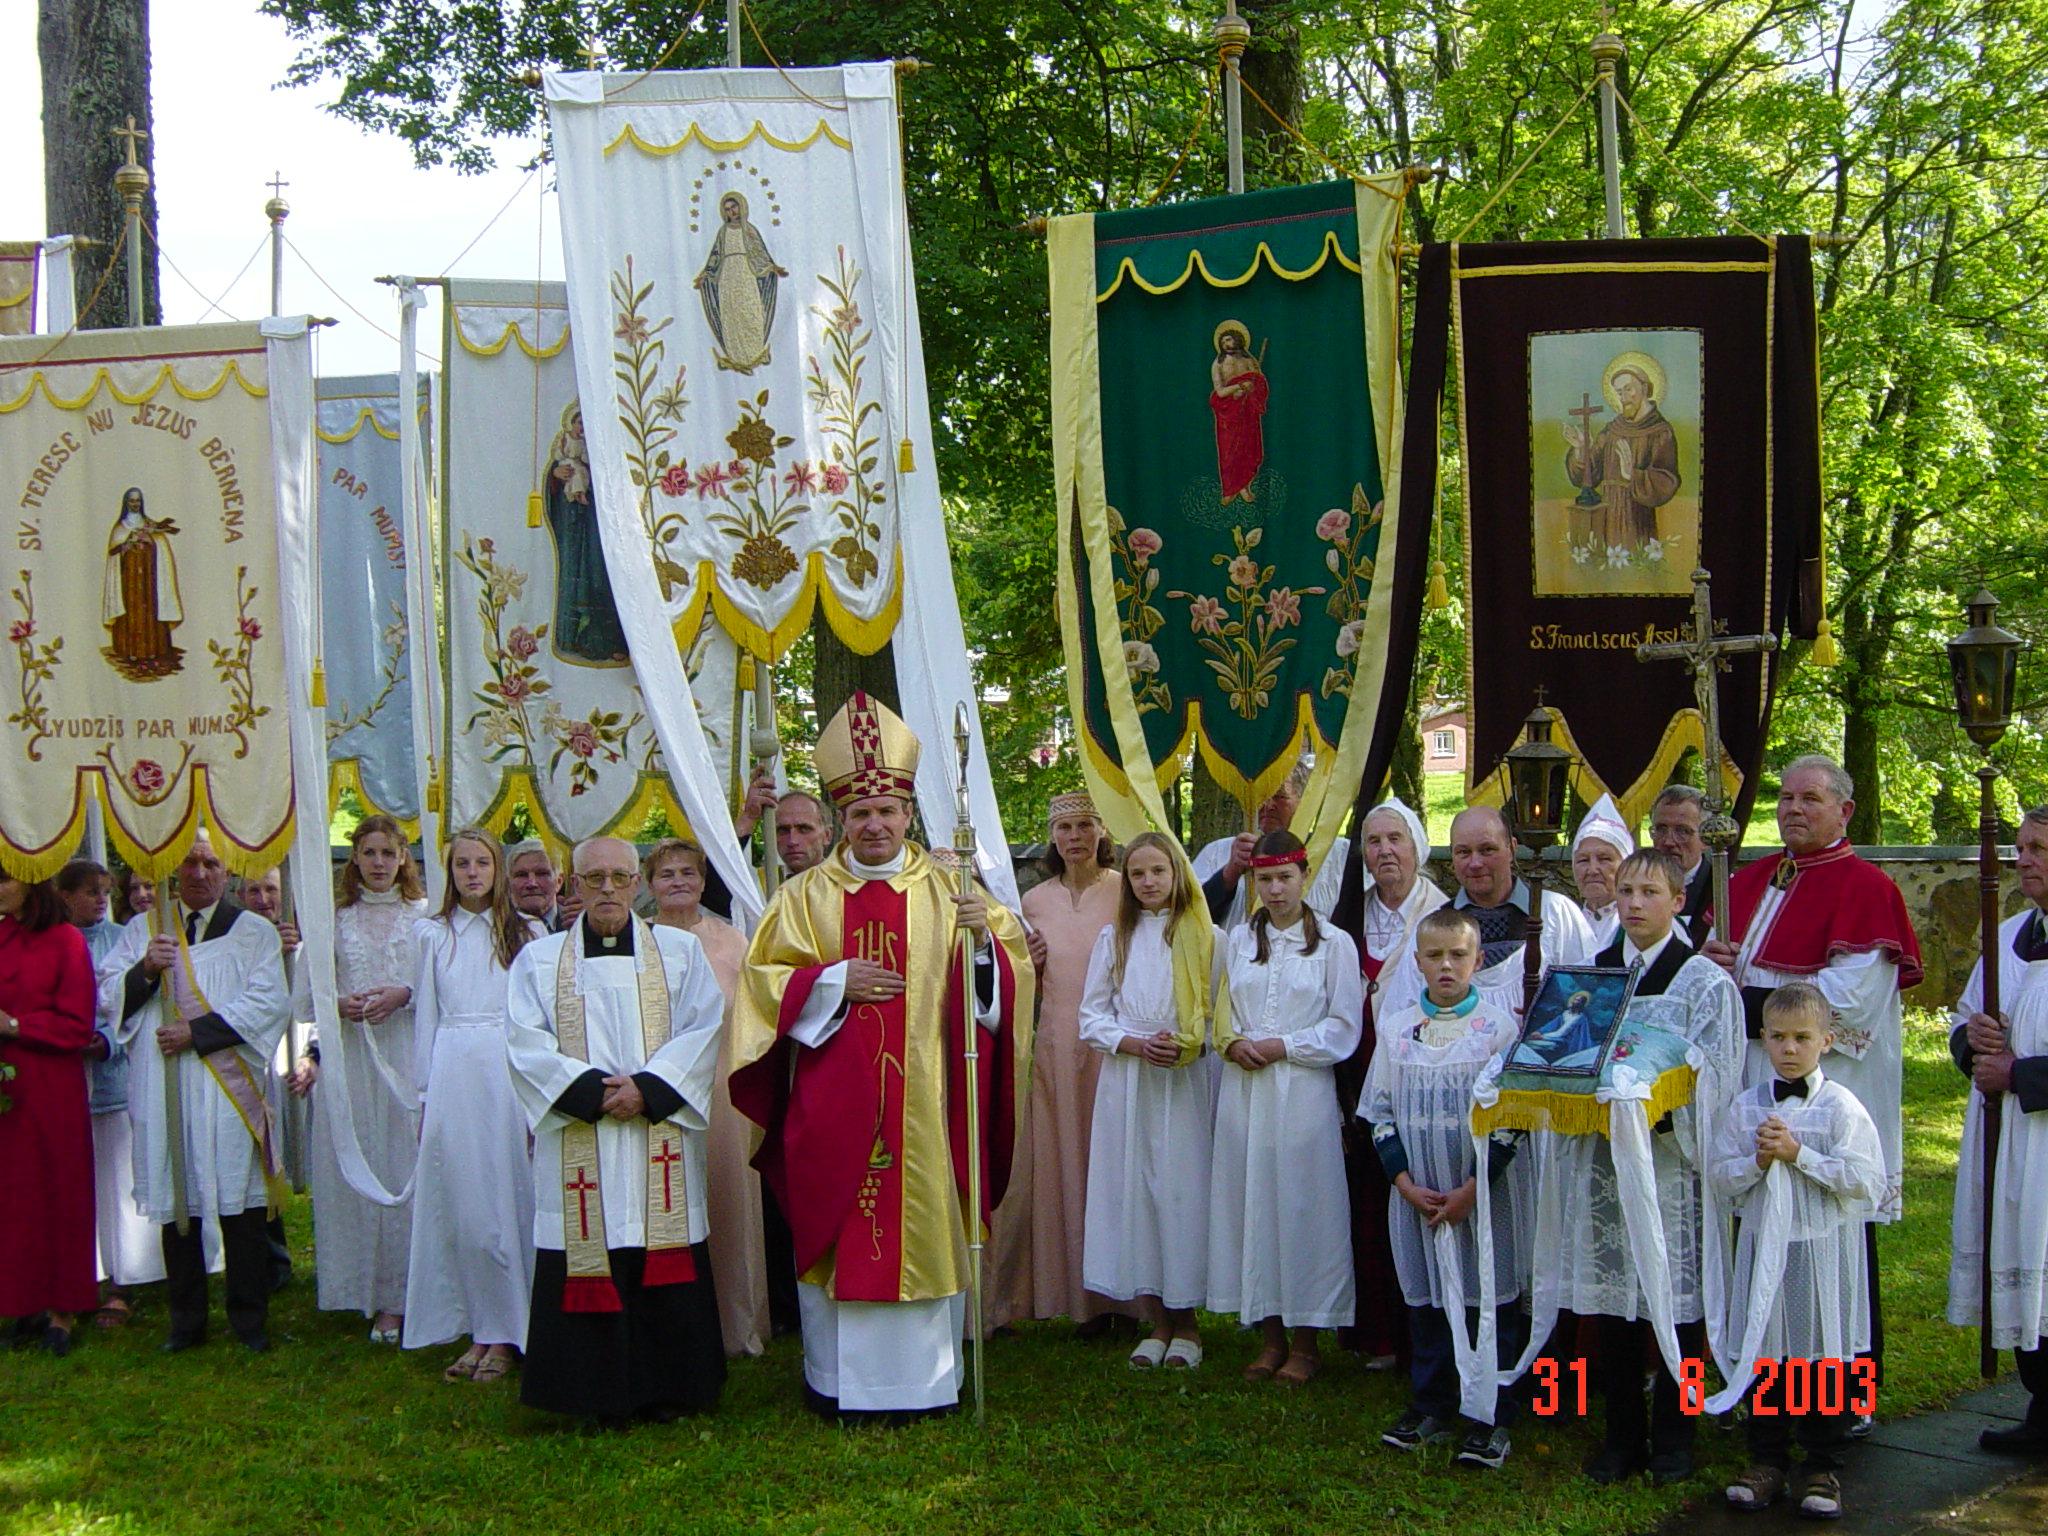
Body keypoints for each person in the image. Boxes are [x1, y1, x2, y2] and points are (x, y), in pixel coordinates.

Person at [731, 690, 1035, 1421]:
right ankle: (837, 1382)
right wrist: (832, 981)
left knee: (924, 1225)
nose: (875, 824)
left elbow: (1005, 992)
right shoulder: (802, 898)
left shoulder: (952, 890)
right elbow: (761, 984)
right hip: (833, 1107)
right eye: (862, 813)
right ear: (842, 818)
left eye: (888, 812)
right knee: (840, 1226)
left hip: (929, 1106)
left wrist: (983, 945)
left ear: (908, 816)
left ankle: (928, 1383)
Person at [1705, 754, 1920, 1400]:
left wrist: (1743, 999)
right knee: (1760, 1237)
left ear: (1844, 811)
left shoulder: (1866, 890)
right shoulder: (1751, 881)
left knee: (1838, 1243)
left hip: (1832, 1099)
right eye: (1786, 797)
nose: (1793, 808)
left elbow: (1847, 1003)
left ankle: (1850, 1395)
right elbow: (1717, 973)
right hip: (1756, 1089)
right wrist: (1713, 965)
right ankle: (1765, 1388)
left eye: (1810, 799)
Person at [504, 836, 730, 1422]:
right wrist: (592, 1094)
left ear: (637, 884)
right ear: (572, 884)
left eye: (620, 877)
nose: (608, 889)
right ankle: (588, 1392)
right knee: (588, 1241)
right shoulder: (539, 961)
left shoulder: (679, 952)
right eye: (594, 878)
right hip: (581, 1133)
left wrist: (649, 1090)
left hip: (658, 1130)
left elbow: (705, 1027)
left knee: (660, 1240)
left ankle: (672, 1388)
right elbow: (524, 1044)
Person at [1558, 849, 1743, 1487]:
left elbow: (1720, 1075)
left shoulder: (1702, 983)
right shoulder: (1593, 976)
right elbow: (1566, 1052)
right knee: (1613, 1304)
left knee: (1676, 1304)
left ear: (1678, 901)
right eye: (1626, 891)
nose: (1635, 903)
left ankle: (1674, 1436)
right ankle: (1621, 1438)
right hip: (1606, 1164)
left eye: (1650, 892)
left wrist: (1661, 1119)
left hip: (1672, 1167)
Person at [97, 833, 290, 1352]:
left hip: (225, 1081)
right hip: (164, 1083)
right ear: (172, 870)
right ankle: (186, 1321)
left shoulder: (252, 932)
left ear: (227, 872)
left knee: (240, 1203)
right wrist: (145, 970)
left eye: (210, 863)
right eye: (189, 863)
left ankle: (249, 1319)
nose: (199, 872)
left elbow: (269, 1001)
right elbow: (108, 995)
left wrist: (197, 1032)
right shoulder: (145, 930)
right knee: (178, 1197)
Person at [1713, 983, 1884, 1520]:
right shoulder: (1746, 1106)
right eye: (1779, 1037)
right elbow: (1720, 1177)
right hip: (1764, 1247)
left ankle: (1821, 1463)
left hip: (1821, 1252)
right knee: (1767, 1352)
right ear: (1763, 1038)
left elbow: (1866, 1182)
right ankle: (1766, 1458)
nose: (1789, 1048)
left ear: (1826, 1041)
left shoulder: (1840, 1107)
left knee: (1820, 1355)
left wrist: (1799, 1153)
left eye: (1802, 1038)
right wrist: (1758, 1162)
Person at [1367, 906, 1529, 1469]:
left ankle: (1492, 1417)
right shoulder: (1397, 1030)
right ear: (1417, 962)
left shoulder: (1498, 1030)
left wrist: (1473, 1190)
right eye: (1434, 955)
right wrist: (1405, 1184)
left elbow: (1512, 1118)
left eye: (1458, 955)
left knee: (1490, 1302)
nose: (1445, 966)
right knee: (1430, 1300)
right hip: (1419, 1197)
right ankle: (1432, 1403)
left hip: (1481, 1197)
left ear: (1477, 960)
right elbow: (1380, 1112)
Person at [1209, 829, 1364, 1386]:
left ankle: (1307, 1340)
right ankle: (1269, 1336)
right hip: (1245, 1092)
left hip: (1302, 1093)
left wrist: (1285, 1045)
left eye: (1284, 878)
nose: (1275, 890)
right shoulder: (1236, 941)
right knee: (1254, 1206)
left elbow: (1344, 1027)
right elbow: (1218, 1009)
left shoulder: (1334, 944)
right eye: (1265, 879)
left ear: (1304, 876)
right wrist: (1232, 1042)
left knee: (1303, 1209)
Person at [402, 828, 542, 1382]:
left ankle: (512, 1330)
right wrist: (424, 1096)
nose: (472, 873)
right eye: (462, 864)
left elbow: (534, 1016)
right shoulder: (433, 933)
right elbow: (426, 1017)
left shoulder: (526, 932)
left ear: (497, 869)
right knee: (465, 1204)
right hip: (454, 1072)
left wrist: (534, 1094)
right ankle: (481, 1326)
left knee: (508, 1200)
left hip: (506, 1072)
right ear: (449, 872)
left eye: (482, 862)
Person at [1078, 831, 1220, 1369]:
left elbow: (1221, 1010)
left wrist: (1191, 1042)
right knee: (1135, 1192)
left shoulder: (1206, 936)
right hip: (1130, 1080)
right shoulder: (1114, 937)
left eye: (1158, 870)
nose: (1148, 881)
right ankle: (1157, 1320)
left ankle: (1188, 1323)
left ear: (1177, 873)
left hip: (1182, 1083)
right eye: (1137, 873)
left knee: (1180, 1192)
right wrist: (1133, 1043)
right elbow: (1091, 1017)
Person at [994, 793, 1126, 1334]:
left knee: (1108, 1163)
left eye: (1084, 825)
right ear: (1053, 836)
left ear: (1101, 831)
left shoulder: (1124, 890)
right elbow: (1014, 974)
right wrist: (1024, 962)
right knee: (1061, 1165)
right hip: (1055, 1044)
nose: (1075, 837)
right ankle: (1070, 1295)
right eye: (1065, 828)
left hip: (1111, 1045)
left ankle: (1122, 1300)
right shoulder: (1035, 901)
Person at [293, 817, 425, 1343]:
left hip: (405, 1054)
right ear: (355, 858)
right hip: (351, 1060)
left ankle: (404, 1295)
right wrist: (337, 1005)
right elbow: (304, 998)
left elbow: (441, 989)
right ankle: (359, 1288)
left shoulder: (423, 918)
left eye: (387, 853)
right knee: (358, 1161)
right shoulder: (334, 921)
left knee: (403, 1163)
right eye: (369, 853)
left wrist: (403, 995)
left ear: (403, 858)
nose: (378, 863)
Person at [1946, 803, 2048, 1454]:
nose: (2023, 859)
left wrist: (2020, 1073)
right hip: (2010, 1140)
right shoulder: (2009, 935)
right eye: (2021, 846)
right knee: (2019, 1260)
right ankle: (2043, 1410)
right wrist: (1973, 1041)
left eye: (2039, 848)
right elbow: (1961, 1022)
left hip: (2042, 1133)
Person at [645, 836, 770, 1359]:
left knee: (727, 1199)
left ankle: (735, 1323)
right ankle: (668, 1326)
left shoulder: (732, 940)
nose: (678, 882)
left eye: (688, 873)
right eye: (667, 873)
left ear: (702, 881)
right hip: (655, 1087)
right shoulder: (638, 940)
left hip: (720, 1084)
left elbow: (754, 1016)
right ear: (650, 885)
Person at [1336, 798, 1447, 1370]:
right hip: (1355, 1070)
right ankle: (1374, 1333)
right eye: (1373, 842)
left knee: (1415, 1192)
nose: (1384, 851)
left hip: (1418, 1076)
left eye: (1394, 839)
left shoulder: (1442, 914)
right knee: (1365, 1201)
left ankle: (1421, 1337)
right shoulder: (1348, 916)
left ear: (1417, 847)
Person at [0, 871, 98, 1355]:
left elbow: (78, 1024)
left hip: (50, 1086)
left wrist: (18, 1025)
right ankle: (23, 1301)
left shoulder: (66, 941)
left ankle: (63, 1308)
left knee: (59, 1191)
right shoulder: (2, 935)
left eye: (3, 880)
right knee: (15, 1199)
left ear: (30, 882)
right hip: (7, 1086)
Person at [1378, 805, 1596, 1022]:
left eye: (1487, 850)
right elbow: (1398, 1017)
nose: (1475, 863)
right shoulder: (1432, 928)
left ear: (1511, 848)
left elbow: (1593, 998)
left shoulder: (1556, 913)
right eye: (1463, 852)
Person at [61, 859, 157, 1327]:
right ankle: (83, 1277)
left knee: (119, 1183)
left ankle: (124, 1279)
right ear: (64, 896)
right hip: (64, 1078)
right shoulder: (55, 941)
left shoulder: (122, 939)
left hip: (113, 1077)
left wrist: (105, 1040)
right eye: (89, 892)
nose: (100, 900)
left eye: (105, 891)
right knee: (79, 1184)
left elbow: (131, 1003)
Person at [231, 865, 297, 1291]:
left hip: (292, 1064)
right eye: (253, 891)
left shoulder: (296, 944)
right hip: (247, 1065)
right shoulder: (234, 942)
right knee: (254, 1161)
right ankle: (265, 1257)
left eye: (271, 889)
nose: (263, 900)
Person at [1191, 762, 1350, 929]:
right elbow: (1190, 917)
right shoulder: (1217, 852)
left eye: (1279, 796)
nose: (1268, 805)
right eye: (1262, 796)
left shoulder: (1337, 854)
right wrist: (1230, 872)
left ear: (1305, 801)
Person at [1563, 359, 1680, 555]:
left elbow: (1667, 481)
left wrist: (1632, 475)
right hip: (1606, 518)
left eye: (1628, 389)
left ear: (1645, 388)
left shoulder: (1660, 432)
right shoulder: (1612, 430)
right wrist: (1581, 449)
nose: (1623, 397)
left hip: (1637, 520)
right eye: (1619, 392)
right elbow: (1588, 476)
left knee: (1635, 564)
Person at [543, 402, 629, 663]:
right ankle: (567, 637)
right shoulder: (566, 445)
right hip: (571, 524)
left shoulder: (598, 449)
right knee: (570, 574)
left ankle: (606, 640)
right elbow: (549, 475)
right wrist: (554, 475)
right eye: (579, 423)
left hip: (600, 527)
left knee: (600, 575)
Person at [696, 191, 786, 375]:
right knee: (731, 315)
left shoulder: (749, 230)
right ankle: (736, 356)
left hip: (746, 274)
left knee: (750, 311)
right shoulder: (723, 232)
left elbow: (759, 253)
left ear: (741, 206)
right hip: (727, 277)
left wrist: (772, 267)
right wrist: (705, 274)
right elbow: (715, 256)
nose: (731, 212)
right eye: (727, 209)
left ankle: (754, 353)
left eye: (734, 207)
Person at [101, 485, 185, 678]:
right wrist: (128, 542)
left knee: (150, 611)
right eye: (132, 500)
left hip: (150, 579)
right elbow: (113, 551)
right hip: (129, 580)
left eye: (138, 500)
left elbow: (160, 546)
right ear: (126, 503)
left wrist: (149, 537)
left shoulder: (149, 523)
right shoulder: (120, 527)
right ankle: (129, 651)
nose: (135, 504)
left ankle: (154, 651)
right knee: (132, 611)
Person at [1209, 319, 1268, 504]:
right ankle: (1230, 489)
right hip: (1228, 414)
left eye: (1230, 339)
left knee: (1248, 448)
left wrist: (1252, 386)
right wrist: (1238, 387)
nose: (1227, 344)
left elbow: (1260, 382)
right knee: (1229, 452)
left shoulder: (1249, 360)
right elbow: (1220, 392)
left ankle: (1244, 487)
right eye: (1224, 341)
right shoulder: (1218, 364)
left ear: (1238, 340)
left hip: (1247, 411)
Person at [1649, 785, 1713, 945]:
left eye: (1682, 831)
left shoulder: (1721, 891)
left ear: (1706, 839)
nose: (1668, 842)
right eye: (1661, 829)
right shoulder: (1636, 887)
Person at [1571, 793, 1634, 950]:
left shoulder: (1642, 925)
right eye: (1583, 860)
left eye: (1604, 859)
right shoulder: (1566, 925)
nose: (1592, 870)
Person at [507, 841, 566, 932]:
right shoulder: (494, 929)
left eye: (541, 874)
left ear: (559, 882)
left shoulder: (579, 924)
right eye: (522, 875)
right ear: (508, 883)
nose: (532, 883)